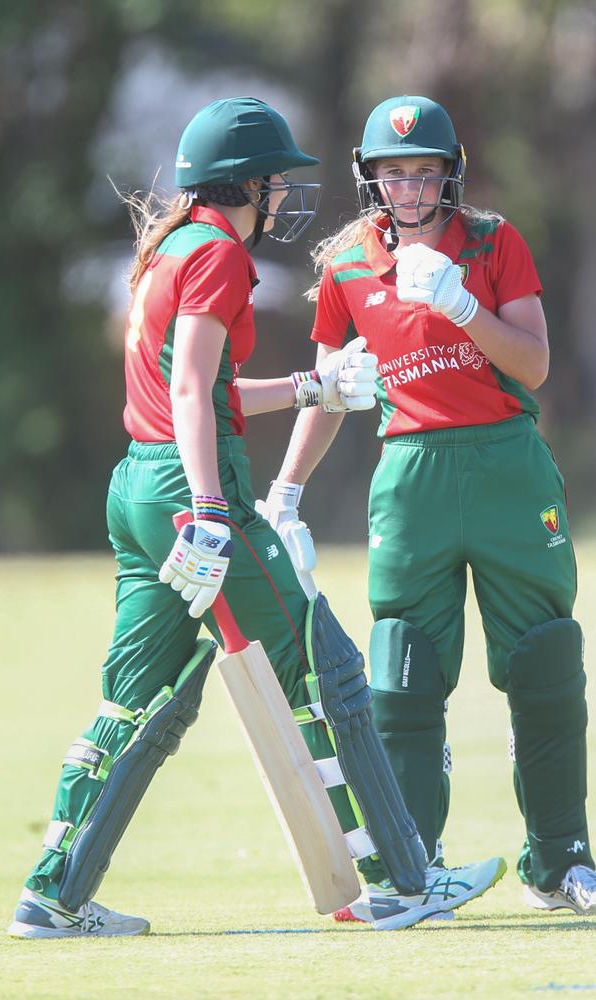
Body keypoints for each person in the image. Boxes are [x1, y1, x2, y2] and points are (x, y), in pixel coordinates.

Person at [7, 97, 503, 939]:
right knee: (324, 667)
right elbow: (196, 393)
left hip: (139, 488)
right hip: (193, 494)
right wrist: (208, 509)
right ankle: (400, 878)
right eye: (273, 180)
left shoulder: (172, 250)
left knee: (140, 696)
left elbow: (205, 387)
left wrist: (310, 387)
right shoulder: (218, 257)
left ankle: (52, 892)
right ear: (243, 184)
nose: (280, 194)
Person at [262, 94, 596, 923]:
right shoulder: (345, 264)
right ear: (369, 177)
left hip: (505, 464)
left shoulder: (492, 242)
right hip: (411, 469)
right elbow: (333, 390)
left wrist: (461, 306)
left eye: (424, 172)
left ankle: (561, 862)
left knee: (545, 663)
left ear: (449, 175)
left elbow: (537, 362)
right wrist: (288, 486)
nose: (409, 187)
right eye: (393, 172)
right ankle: (418, 867)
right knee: (402, 669)